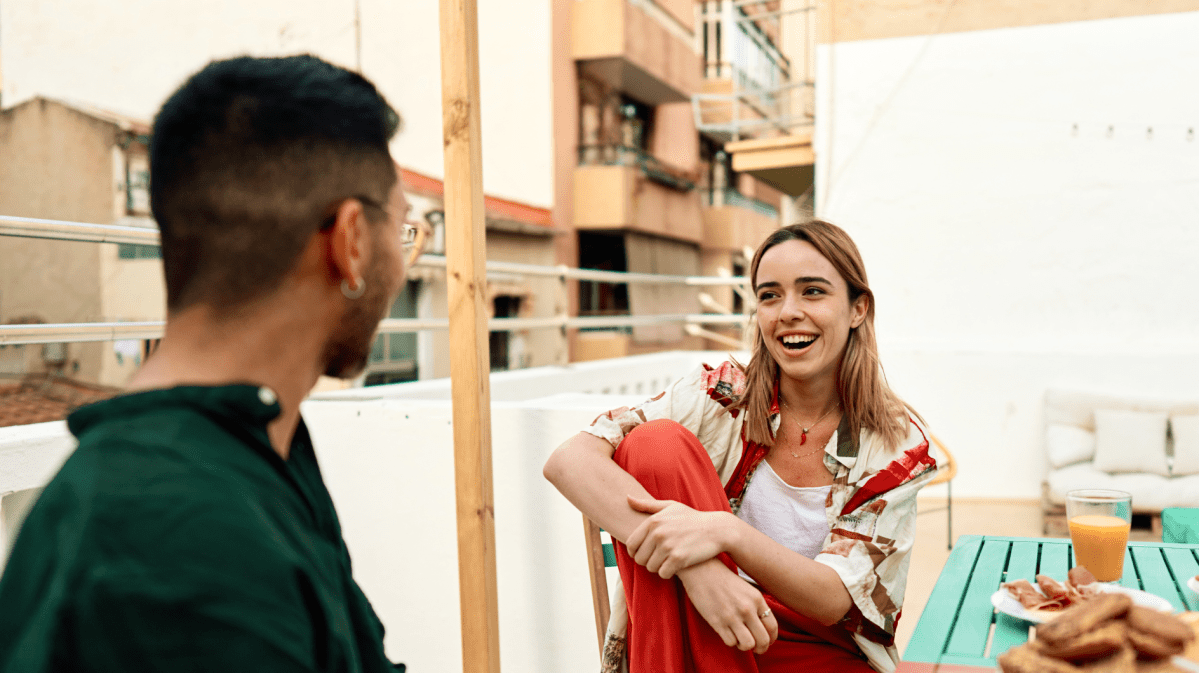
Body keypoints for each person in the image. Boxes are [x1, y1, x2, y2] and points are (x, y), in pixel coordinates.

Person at [0, 54, 425, 672]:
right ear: (351, 240)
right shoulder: (180, 533)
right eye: (404, 228)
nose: (404, 258)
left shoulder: (249, 444)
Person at [544, 221, 940, 673]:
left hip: (811, 648)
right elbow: (569, 460)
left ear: (857, 309)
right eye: (770, 295)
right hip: (703, 619)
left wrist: (726, 532)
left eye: (812, 292)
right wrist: (705, 573)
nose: (787, 311)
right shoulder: (722, 396)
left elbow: (835, 598)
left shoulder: (893, 442)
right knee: (654, 446)